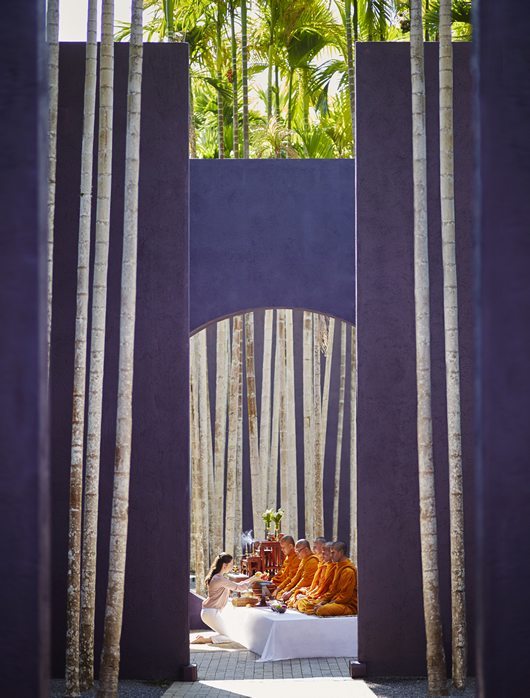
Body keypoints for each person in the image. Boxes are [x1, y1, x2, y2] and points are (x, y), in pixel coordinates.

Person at [192, 552, 258, 644]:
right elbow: (239, 588)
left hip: (210, 612)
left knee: (230, 634)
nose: (232, 567)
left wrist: (253, 578)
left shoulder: (219, 577)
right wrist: (254, 580)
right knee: (230, 637)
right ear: (225, 565)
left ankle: (202, 638)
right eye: (231, 565)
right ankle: (204, 640)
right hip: (210, 613)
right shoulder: (219, 579)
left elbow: (237, 585)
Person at [305, 541, 357, 617]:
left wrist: (328, 603)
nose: (331, 555)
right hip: (335, 601)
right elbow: (333, 590)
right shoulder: (337, 567)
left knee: (322, 610)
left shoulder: (348, 571)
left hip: (347, 605)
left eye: (333, 553)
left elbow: (345, 597)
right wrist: (323, 602)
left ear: (341, 553)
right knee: (309, 605)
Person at [294, 541, 335, 611]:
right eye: (322, 551)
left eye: (325, 552)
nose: (322, 553)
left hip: (330, 598)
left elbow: (333, 591)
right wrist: (309, 595)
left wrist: (321, 601)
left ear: (332, 554)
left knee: (309, 605)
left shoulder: (339, 569)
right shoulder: (323, 566)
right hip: (319, 594)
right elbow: (318, 586)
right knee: (298, 594)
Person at [277, 539, 319, 603]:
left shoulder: (312, 561)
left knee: (298, 600)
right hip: (299, 588)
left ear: (306, 550)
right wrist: (286, 590)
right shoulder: (303, 560)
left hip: (307, 589)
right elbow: (296, 578)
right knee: (281, 594)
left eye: (298, 551)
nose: (297, 554)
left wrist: (291, 592)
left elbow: (305, 581)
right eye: (296, 551)